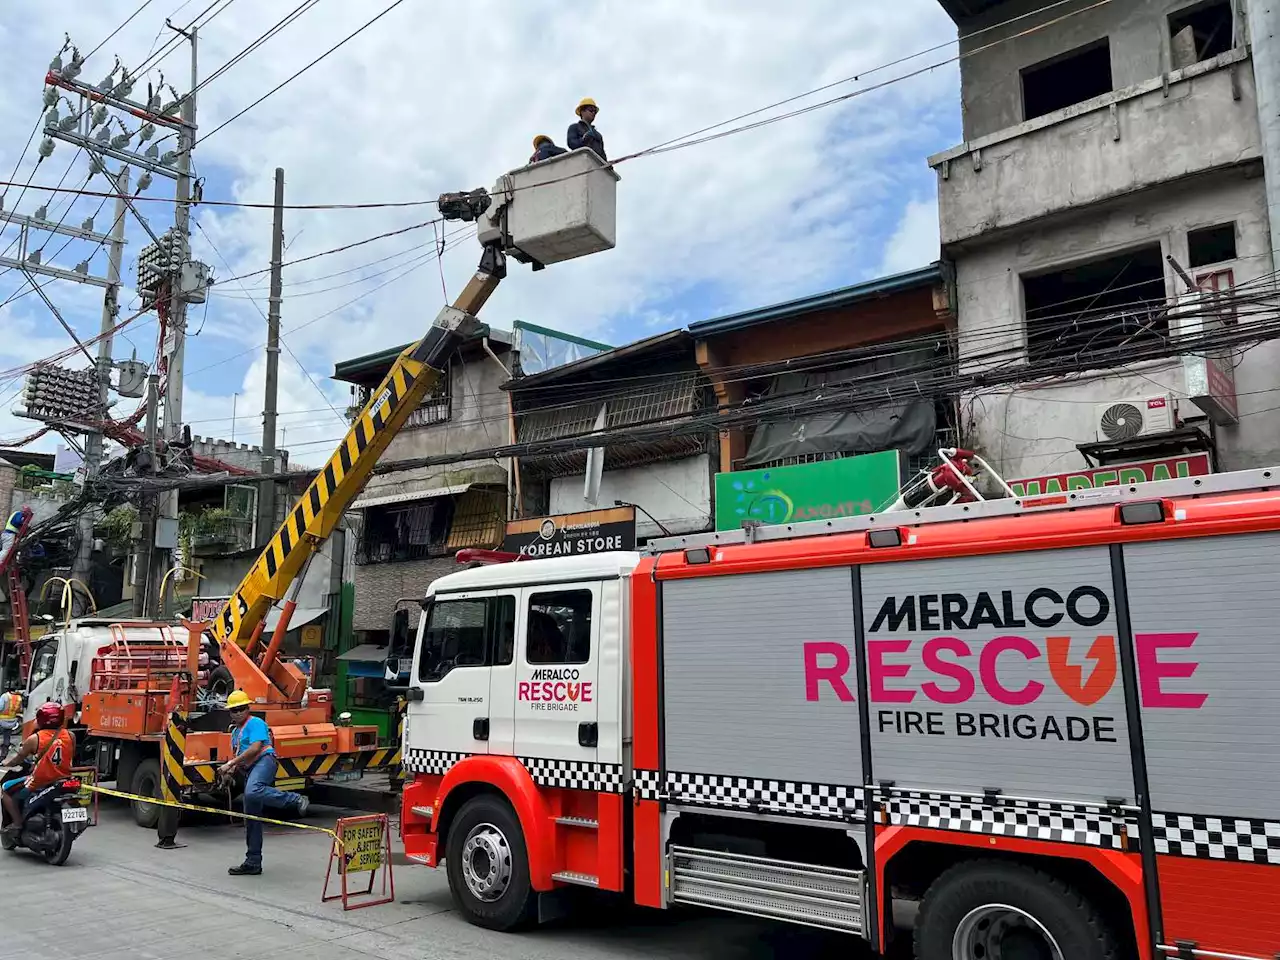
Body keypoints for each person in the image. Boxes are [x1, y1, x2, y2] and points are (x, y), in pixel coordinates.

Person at [220, 690, 308, 876]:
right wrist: (229, 773)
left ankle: (295, 799)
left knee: (253, 792)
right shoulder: (235, 732)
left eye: (241, 709)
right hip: (249, 769)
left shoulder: (256, 723)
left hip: (264, 761)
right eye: (234, 710)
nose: (237, 713)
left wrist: (231, 763)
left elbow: (255, 748)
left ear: (248, 708)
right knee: (251, 819)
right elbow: (239, 756)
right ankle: (253, 862)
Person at [2, 702, 73, 839]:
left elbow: (18, 758)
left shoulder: (35, 739)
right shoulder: (70, 736)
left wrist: (6, 762)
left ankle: (17, 823)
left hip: (40, 781)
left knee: (5, 789)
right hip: (63, 779)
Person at [0, 507, 30, 574]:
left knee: (4, 550)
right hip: (9, 534)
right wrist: (23, 524)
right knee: (6, 550)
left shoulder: (16, 513)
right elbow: (16, 522)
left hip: (6, 534)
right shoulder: (19, 514)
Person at [0, 688, 23, 759]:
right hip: (12, 721)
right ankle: (3, 756)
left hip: (2, 720)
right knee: (7, 738)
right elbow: (20, 709)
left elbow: (0, 707)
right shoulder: (19, 698)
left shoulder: (4, 696)